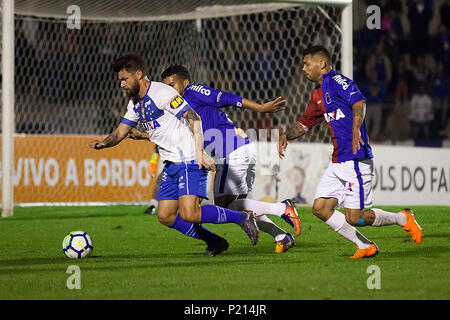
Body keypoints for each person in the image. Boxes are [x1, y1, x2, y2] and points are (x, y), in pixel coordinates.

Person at [88, 54, 259, 256]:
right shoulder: (135, 104)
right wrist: (104, 143)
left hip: (188, 158)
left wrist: (199, 154)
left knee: (190, 214)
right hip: (171, 163)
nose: (122, 84)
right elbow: (120, 132)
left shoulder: (162, 93)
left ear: (139, 74)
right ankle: (216, 242)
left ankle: (243, 217)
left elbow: (194, 118)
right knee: (166, 216)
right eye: (120, 81)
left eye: (125, 79)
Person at [132, 65, 301, 254]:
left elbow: (227, 98)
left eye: (173, 84)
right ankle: (281, 235)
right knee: (232, 207)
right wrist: (143, 135)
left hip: (235, 148)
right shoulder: (176, 106)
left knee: (230, 207)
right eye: (166, 86)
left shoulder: (194, 91)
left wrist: (260, 108)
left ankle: (281, 209)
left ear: (185, 82)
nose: (169, 89)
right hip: (226, 154)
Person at [278, 46, 423, 259]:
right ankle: (365, 246)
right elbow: (305, 123)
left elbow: (359, 102)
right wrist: (286, 135)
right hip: (338, 162)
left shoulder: (338, 82)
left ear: (323, 64)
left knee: (355, 217)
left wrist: (356, 127)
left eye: (307, 64)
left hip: (355, 159)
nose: (303, 68)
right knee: (320, 208)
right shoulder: (318, 93)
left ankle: (403, 219)